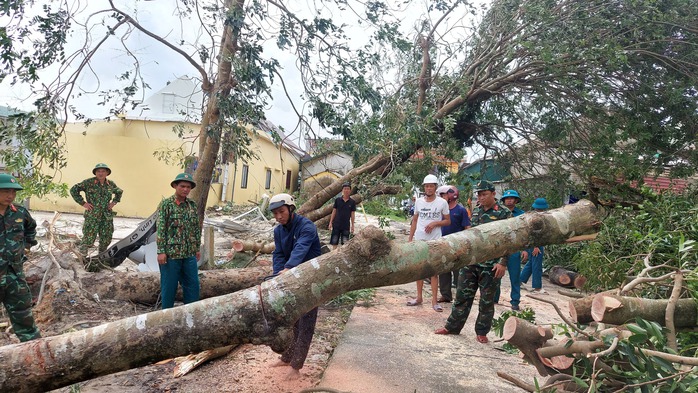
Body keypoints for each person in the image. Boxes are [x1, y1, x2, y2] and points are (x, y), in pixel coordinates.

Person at [435, 180, 510, 343]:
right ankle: (452, 327)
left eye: (484, 195)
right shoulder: (476, 212)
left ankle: (482, 331)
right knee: (462, 296)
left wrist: (502, 263)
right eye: (479, 195)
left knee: (486, 301)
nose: (481, 198)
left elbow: (509, 240)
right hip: (472, 263)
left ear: (493, 194)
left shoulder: (504, 213)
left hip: (491, 265)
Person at [269, 193, 322, 380]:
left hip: (311, 278)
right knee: (292, 320)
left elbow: (301, 247)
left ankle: (296, 367)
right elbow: (278, 254)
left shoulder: (307, 227)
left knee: (306, 323)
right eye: (275, 214)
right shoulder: (278, 231)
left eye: (281, 212)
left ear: (291, 209)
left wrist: (289, 268)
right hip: (291, 278)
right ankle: (286, 358)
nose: (278, 217)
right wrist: (278, 273)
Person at [0, 174, 41, 342]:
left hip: (14, 275)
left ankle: (36, 351)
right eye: (6, 191)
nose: (11, 195)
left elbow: (31, 229)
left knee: (24, 317)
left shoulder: (20, 213)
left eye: (13, 192)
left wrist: (26, 246)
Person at [156, 173, 201, 309]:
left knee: (192, 284)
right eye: (182, 186)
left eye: (188, 187)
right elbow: (161, 228)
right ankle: (166, 315)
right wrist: (161, 251)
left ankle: (191, 313)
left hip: (189, 254)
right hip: (171, 254)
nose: (185, 189)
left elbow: (195, 228)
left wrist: (197, 248)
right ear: (175, 186)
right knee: (169, 286)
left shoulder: (192, 205)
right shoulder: (166, 204)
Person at [406, 174, 450, 312]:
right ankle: (419, 298)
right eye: (427, 186)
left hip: (435, 240)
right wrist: (410, 237)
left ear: (435, 188)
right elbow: (415, 220)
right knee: (419, 270)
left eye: (431, 186)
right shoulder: (418, 202)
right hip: (420, 239)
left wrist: (435, 223)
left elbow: (448, 221)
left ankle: (434, 301)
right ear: (424, 187)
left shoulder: (442, 202)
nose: (429, 188)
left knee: (433, 271)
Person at [70, 163, 123, 255]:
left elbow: (119, 192)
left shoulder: (110, 184)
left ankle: (101, 258)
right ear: (95, 173)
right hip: (92, 215)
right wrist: (83, 203)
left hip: (106, 216)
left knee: (106, 238)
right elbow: (74, 190)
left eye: (103, 171)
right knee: (88, 238)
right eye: (98, 171)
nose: (100, 173)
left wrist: (114, 202)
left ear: (107, 173)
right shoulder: (88, 183)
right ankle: (82, 258)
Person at [437, 185, 471, 303]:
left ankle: (460, 296)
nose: (441, 197)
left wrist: (467, 244)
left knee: (459, 273)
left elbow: (467, 227)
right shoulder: (441, 210)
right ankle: (445, 295)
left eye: (443, 195)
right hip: (443, 244)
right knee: (444, 272)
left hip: (458, 246)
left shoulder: (461, 210)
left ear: (451, 195)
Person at [493, 189, 525, 310]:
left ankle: (515, 301)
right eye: (507, 198)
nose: (509, 200)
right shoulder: (498, 213)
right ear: (504, 200)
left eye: (512, 198)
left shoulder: (521, 214)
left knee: (515, 276)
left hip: (514, 249)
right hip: (500, 249)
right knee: (496, 274)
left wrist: (526, 249)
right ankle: (494, 298)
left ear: (516, 200)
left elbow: (525, 233)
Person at [521, 198, 549, 294]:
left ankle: (520, 280)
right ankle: (537, 287)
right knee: (537, 265)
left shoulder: (531, 215)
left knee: (531, 263)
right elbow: (535, 233)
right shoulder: (537, 218)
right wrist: (536, 246)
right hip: (536, 244)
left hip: (532, 244)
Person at [328, 182, 356, 250]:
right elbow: (334, 211)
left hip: (346, 225)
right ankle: (333, 255)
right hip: (336, 224)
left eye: (348, 189)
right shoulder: (337, 200)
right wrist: (331, 222)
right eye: (345, 189)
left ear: (350, 190)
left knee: (345, 242)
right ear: (342, 190)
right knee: (334, 241)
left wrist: (352, 225)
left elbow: (352, 214)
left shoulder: (352, 202)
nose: (346, 190)